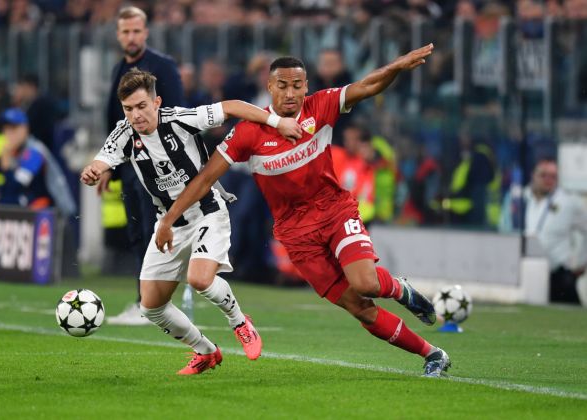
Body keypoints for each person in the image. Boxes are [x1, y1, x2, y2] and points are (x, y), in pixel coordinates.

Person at [155, 46, 453, 377]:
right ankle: (433, 354)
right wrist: (169, 218)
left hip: (334, 211)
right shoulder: (249, 133)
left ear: (306, 86)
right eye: (282, 85)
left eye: (297, 85)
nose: (290, 93)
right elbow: (205, 178)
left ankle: (399, 289)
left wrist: (396, 66)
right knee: (359, 307)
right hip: (296, 234)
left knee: (366, 283)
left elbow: (367, 86)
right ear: (269, 88)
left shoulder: (321, 106)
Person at [80, 69, 302, 375]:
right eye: (129, 109)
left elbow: (233, 106)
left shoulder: (179, 118)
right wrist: (93, 170)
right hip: (169, 225)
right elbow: (102, 160)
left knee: (200, 279)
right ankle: (206, 351)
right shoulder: (123, 134)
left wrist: (278, 122)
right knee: (151, 306)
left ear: (156, 102)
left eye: (142, 106)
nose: (136, 115)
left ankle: (240, 322)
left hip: (207, 211)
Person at [104, 6, 185, 325]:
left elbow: (178, 112)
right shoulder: (117, 69)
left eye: (136, 31)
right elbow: (112, 120)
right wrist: (108, 162)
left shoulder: (162, 66)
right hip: (128, 165)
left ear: (146, 32)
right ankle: (145, 301)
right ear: (118, 35)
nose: (131, 37)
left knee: (155, 230)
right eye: (125, 32)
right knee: (137, 232)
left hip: (156, 166)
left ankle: (153, 303)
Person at [500, 158, 587, 304]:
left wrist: (581, 262)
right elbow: (504, 230)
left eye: (553, 176)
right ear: (533, 175)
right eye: (544, 175)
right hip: (525, 272)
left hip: (558, 275)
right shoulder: (519, 198)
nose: (549, 180)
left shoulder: (568, 202)